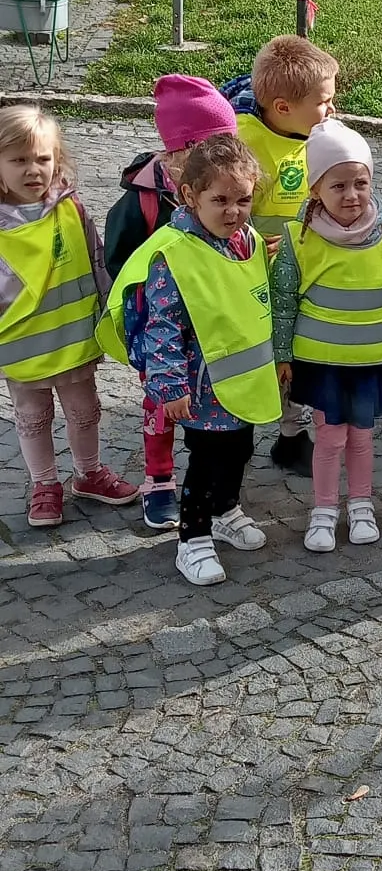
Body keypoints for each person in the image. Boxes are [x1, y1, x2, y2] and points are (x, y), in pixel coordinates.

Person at [100, 133, 281, 585]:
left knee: (239, 450)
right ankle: (193, 538)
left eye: (243, 200)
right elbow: (161, 326)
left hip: (241, 382)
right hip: (199, 385)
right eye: (220, 200)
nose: (233, 211)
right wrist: (170, 388)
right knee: (205, 460)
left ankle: (226, 511)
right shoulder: (172, 254)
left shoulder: (245, 240)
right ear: (189, 195)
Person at [272, 121, 382, 553]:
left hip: (370, 362)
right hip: (322, 364)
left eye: (360, 183)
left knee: (361, 437)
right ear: (315, 190)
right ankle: (323, 510)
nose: (352, 195)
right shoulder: (299, 239)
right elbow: (282, 302)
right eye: (337, 186)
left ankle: (361, 505)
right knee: (329, 437)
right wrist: (282, 354)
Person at [103, 74, 239, 529]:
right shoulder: (140, 203)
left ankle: (213, 472)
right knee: (160, 402)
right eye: (217, 145)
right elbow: (119, 261)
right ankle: (158, 479)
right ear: (184, 150)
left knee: (210, 397)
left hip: (211, 324)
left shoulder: (224, 188)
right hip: (160, 325)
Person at [0, 105, 137, 528]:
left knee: (84, 409)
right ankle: (44, 484)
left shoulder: (71, 208)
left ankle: (88, 473)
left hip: (74, 335)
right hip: (21, 344)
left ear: (57, 159)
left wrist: (110, 310)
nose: (32, 169)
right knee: (32, 416)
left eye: (42, 158)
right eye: (18, 160)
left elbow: (96, 259)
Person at [234, 34, 339, 474]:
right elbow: (225, 212)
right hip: (255, 280)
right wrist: (253, 243)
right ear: (282, 107)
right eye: (323, 102)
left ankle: (291, 435)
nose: (332, 109)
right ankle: (242, 433)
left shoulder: (314, 133)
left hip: (303, 275)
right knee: (263, 359)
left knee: (295, 358)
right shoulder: (245, 144)